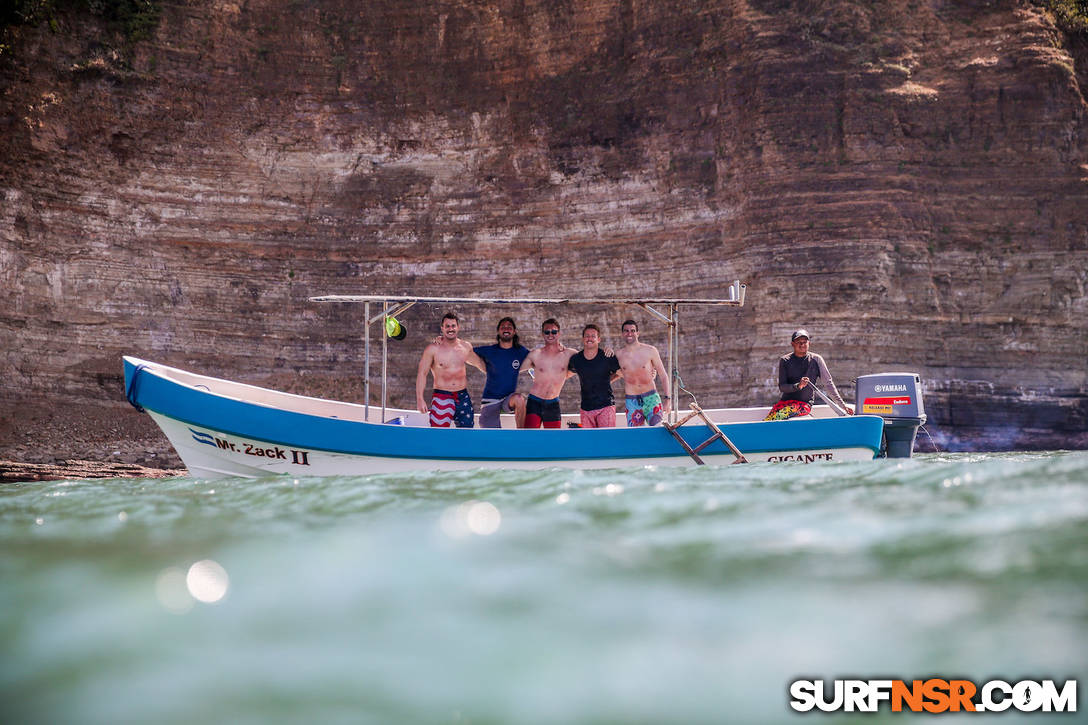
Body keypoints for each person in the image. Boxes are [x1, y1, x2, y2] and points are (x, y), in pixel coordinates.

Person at [415, 312, 485, 427]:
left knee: (467, 434)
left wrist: (498, 372)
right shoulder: (433, 349)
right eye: (447, 326)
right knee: (439, 435)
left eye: (453, 326)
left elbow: (480, 364)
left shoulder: (465, 347)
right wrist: (419, 399)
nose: (450, 329)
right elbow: (422, 373)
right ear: (442, 328)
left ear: (458, 327)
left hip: (463, 396)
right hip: (441, 397)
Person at [770, 329, 854, 419]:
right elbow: (782, 387)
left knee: (779, 417)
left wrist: (842, 405)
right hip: (785, 403)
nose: (802, 345)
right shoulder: (785, 360)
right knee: (769, 420)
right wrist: (798, 385)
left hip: (804, 404)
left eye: (804, 342)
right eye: (798, 342)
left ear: (809, 343)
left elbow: (828, 384)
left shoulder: (816, 359)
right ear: (792, 344)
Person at [519, 318, 577, 428]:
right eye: (547, 332)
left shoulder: (569, 354)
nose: (551, 334)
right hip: (534, 402)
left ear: (559, 333)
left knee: (553, 441)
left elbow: (588, 361)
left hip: (553, 403)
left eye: (554, 332)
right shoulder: (535, 354)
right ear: (542, 334)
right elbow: (514, 369)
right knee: (530, 438)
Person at [473, 317, 530, 428]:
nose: (506, 329)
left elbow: (537, 358)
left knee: (520, 399)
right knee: (491, 439)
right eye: (503, 327)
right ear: (498, 331)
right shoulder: (489, 351)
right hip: (490, 401)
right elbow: (466, 351)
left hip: (508, 400)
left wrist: (558, 347)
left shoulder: (520, 351)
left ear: (514, 331)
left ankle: (521, 435)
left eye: (509, 327)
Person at [614, 319, 671, 426]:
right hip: (632, 401)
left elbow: (663, 375)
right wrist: (623, 374)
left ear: (637, 333)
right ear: (622, 334)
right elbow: (611, 374)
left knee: (657, 431)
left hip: (651, 398)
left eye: (632, 330)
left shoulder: (650, 350)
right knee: (636, 436)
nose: (629, 333)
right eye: (626, 331)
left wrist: (668, 399)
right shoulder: (618, 355)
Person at [567, 324, 621, 428]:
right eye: (587, 336)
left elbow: (622, 372)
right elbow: (565, 375)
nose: (590, 338)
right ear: (583, 339)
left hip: (606, 406)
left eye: (593, 336)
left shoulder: (607, 356)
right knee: (589, 443)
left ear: (599, 339)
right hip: (586, 408)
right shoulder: (576, 359)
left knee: (606, 441)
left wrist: (606, 381)